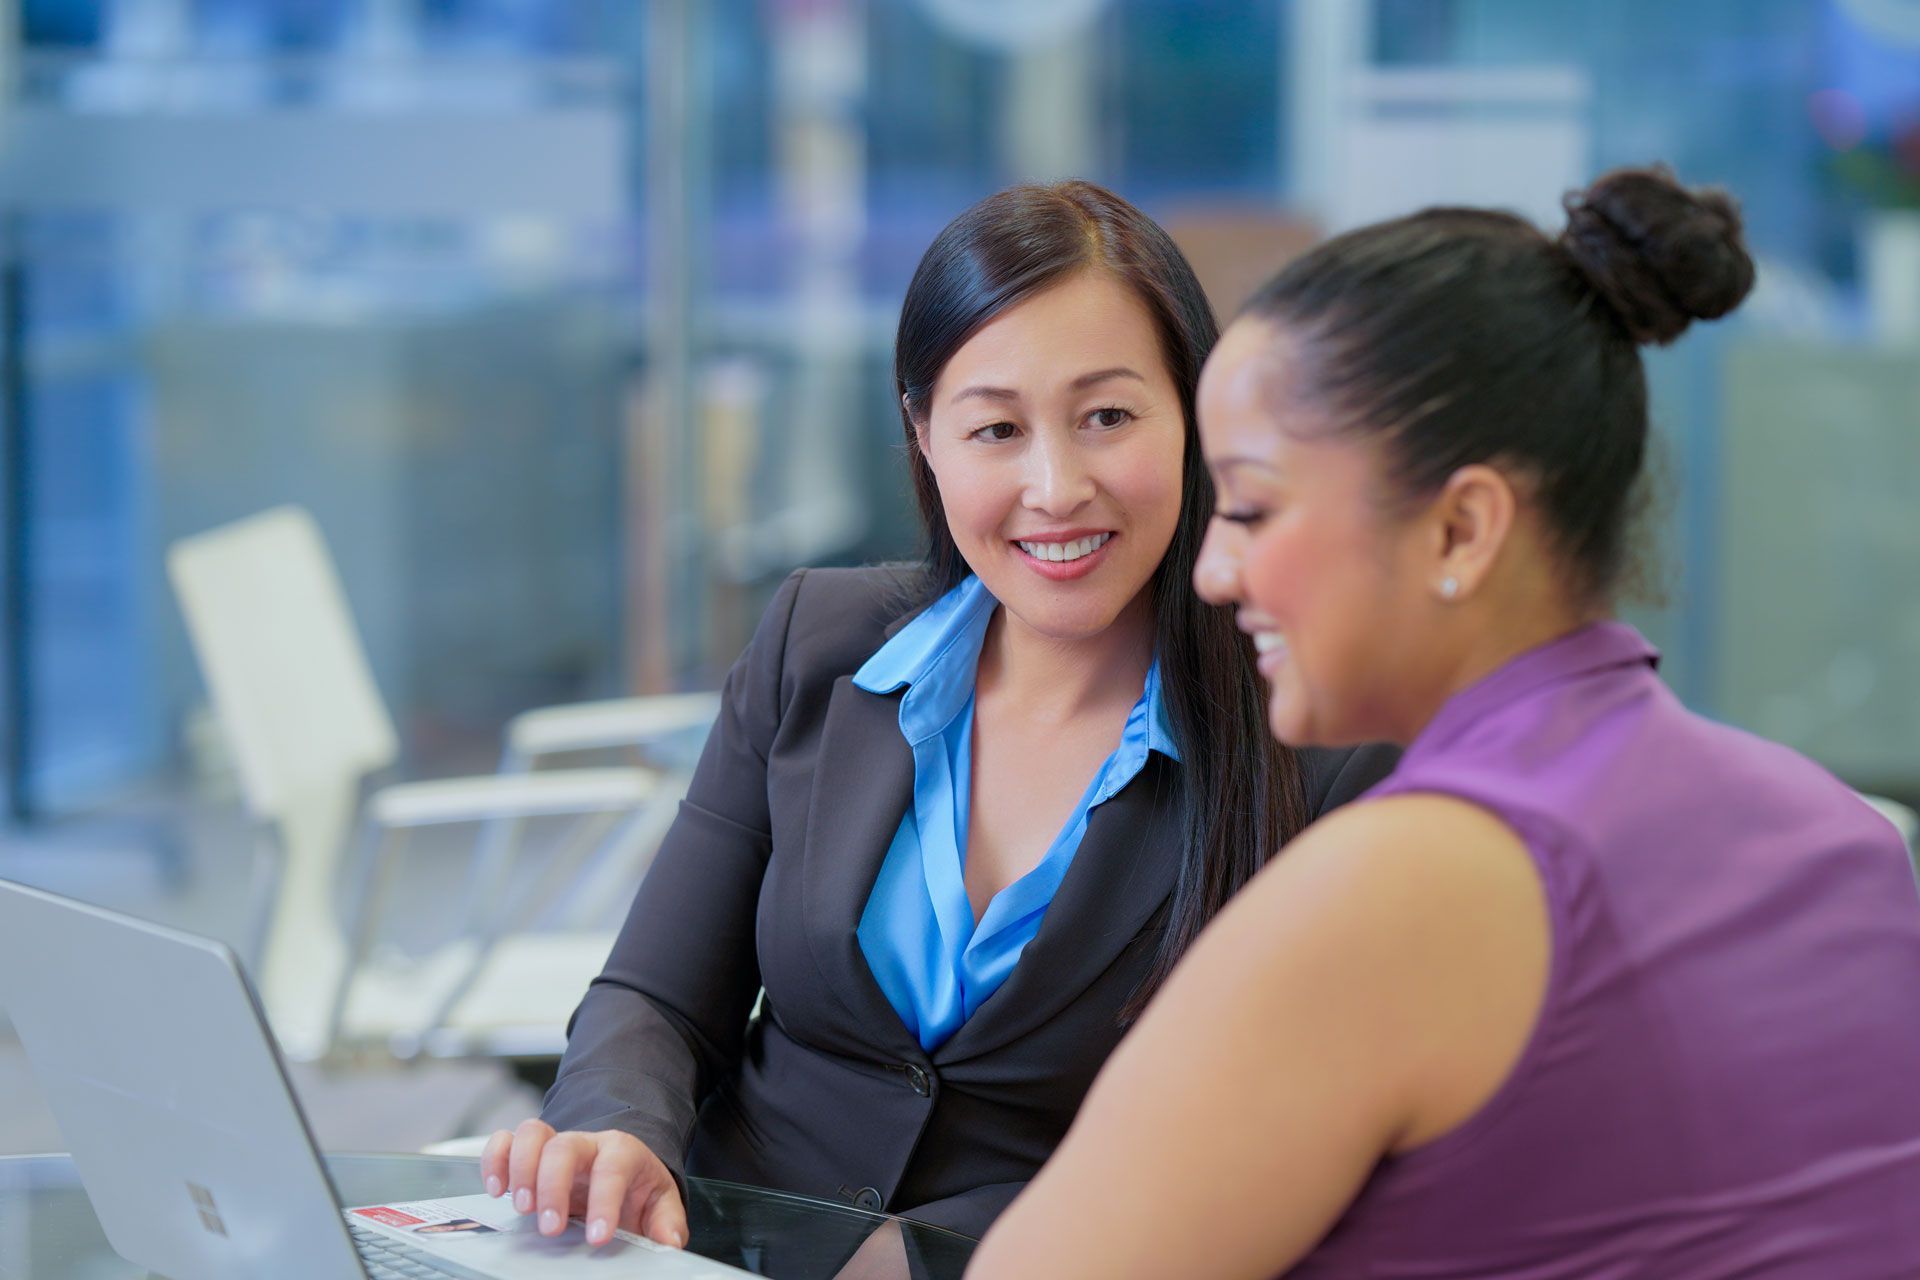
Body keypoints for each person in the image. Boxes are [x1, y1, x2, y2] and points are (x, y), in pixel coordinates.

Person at [967, 166, 1920, 1278]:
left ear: (1464, 528)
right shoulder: (1839, 832)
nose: (1216, 568)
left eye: (1257, 505)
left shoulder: (1403, 884)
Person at [478, 180, 1397, 1251]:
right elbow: (659, 994)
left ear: (1193, 415)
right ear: (925, 434)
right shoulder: (818, 642)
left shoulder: (1315, 743)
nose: (1055, 487)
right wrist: (617, 1130)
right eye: (996, 427)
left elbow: (1278, 1159)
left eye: (1107, 415)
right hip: (722, 1243)